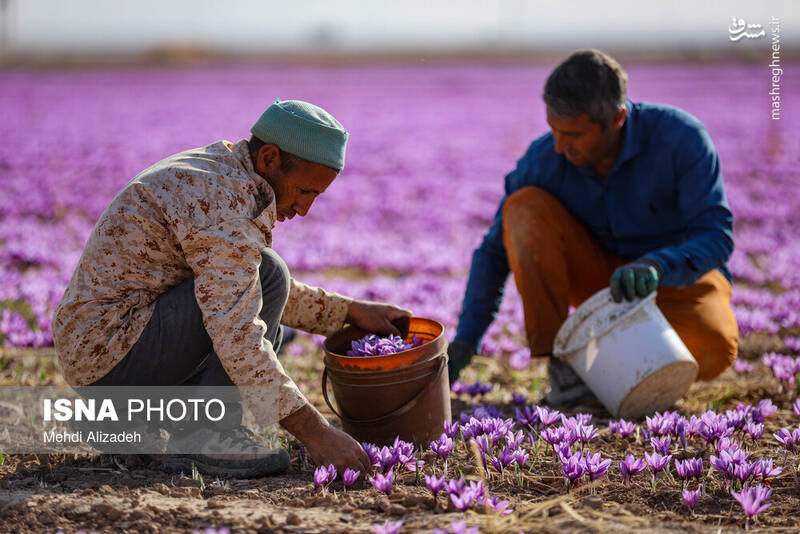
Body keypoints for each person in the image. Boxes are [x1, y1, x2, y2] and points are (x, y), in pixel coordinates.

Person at [53, 99, 410, 477]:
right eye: (305, 191)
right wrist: (316, 433)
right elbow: (236, 330)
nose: (304, 209)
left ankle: (122, 422)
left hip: (106, 350)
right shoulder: (221, 199)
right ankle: (205, 436)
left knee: (266, 278)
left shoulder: (225, 169)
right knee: (270, 276)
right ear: (270, 158)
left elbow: (233, 286)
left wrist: (349, 312)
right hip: (113, 356)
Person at [447, 49, 739, 407]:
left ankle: (608, 364)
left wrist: (658, 264)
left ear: (616, 119)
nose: (559, 145)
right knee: (522, 208)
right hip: (600, 287)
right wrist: (466, 342)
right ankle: (565, 366)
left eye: (573, 134)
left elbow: (716, 234)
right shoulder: (545, 159)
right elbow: (493, 253)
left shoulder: (680, 140)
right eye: (553, 130)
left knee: (713, 348)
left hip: (672, 279)